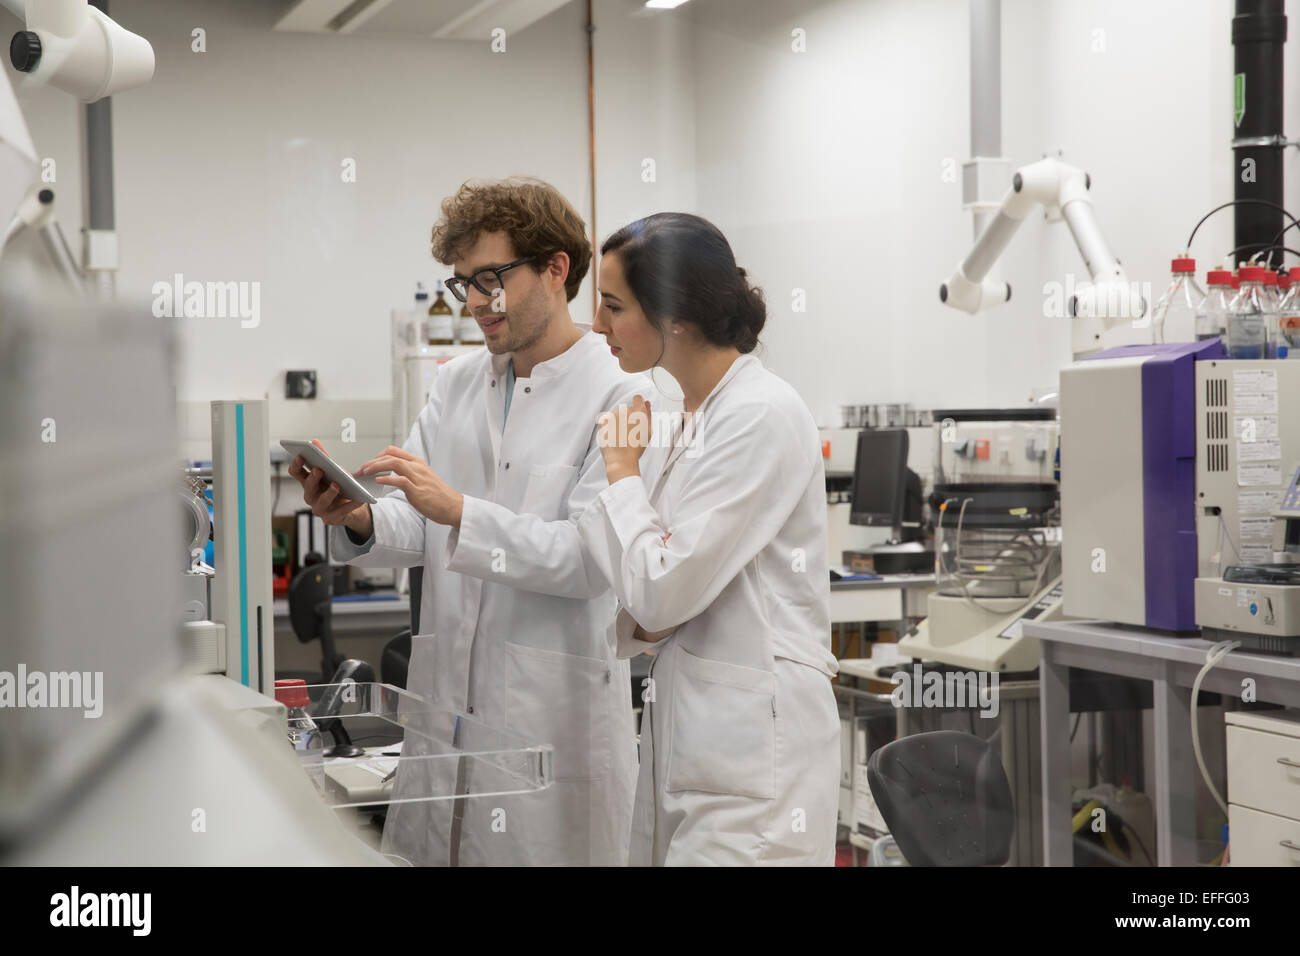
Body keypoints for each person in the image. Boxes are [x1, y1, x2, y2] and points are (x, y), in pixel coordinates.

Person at [290, 177, 646, 866]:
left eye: (491, 278)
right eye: (464, 284)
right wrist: (361, 517)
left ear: (555, 268)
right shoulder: (456, 384)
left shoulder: (618, 392)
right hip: (445, 709)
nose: (477, 303)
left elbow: (590, 562)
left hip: (552, 719)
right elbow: (417, 525)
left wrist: (459, 510)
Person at [578, 212, 840, 866]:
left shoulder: (759, 414)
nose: (598, 326)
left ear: (676, 317)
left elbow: (661, 591)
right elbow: (651, 598)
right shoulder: (691, 419)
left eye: (613, 306)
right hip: (702, 738)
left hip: (754, 753)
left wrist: (618, 472)